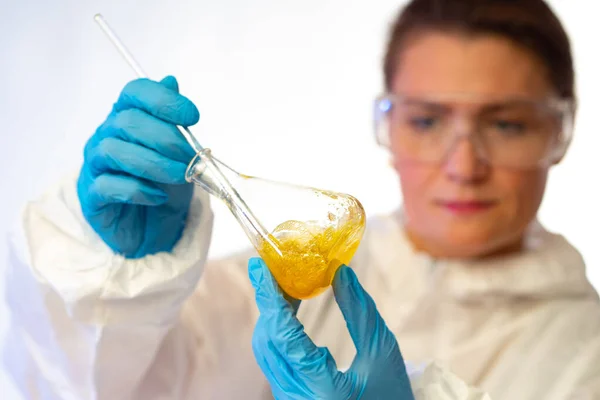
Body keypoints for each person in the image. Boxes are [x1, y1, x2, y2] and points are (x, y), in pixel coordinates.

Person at [2, 0, 600, 398]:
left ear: (560, 135)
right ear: (388, 131)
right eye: (426, 121)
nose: (464, 166)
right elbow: (87, 383)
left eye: (508, 125)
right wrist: (115, 278)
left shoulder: (585, 352)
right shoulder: (297, 280)